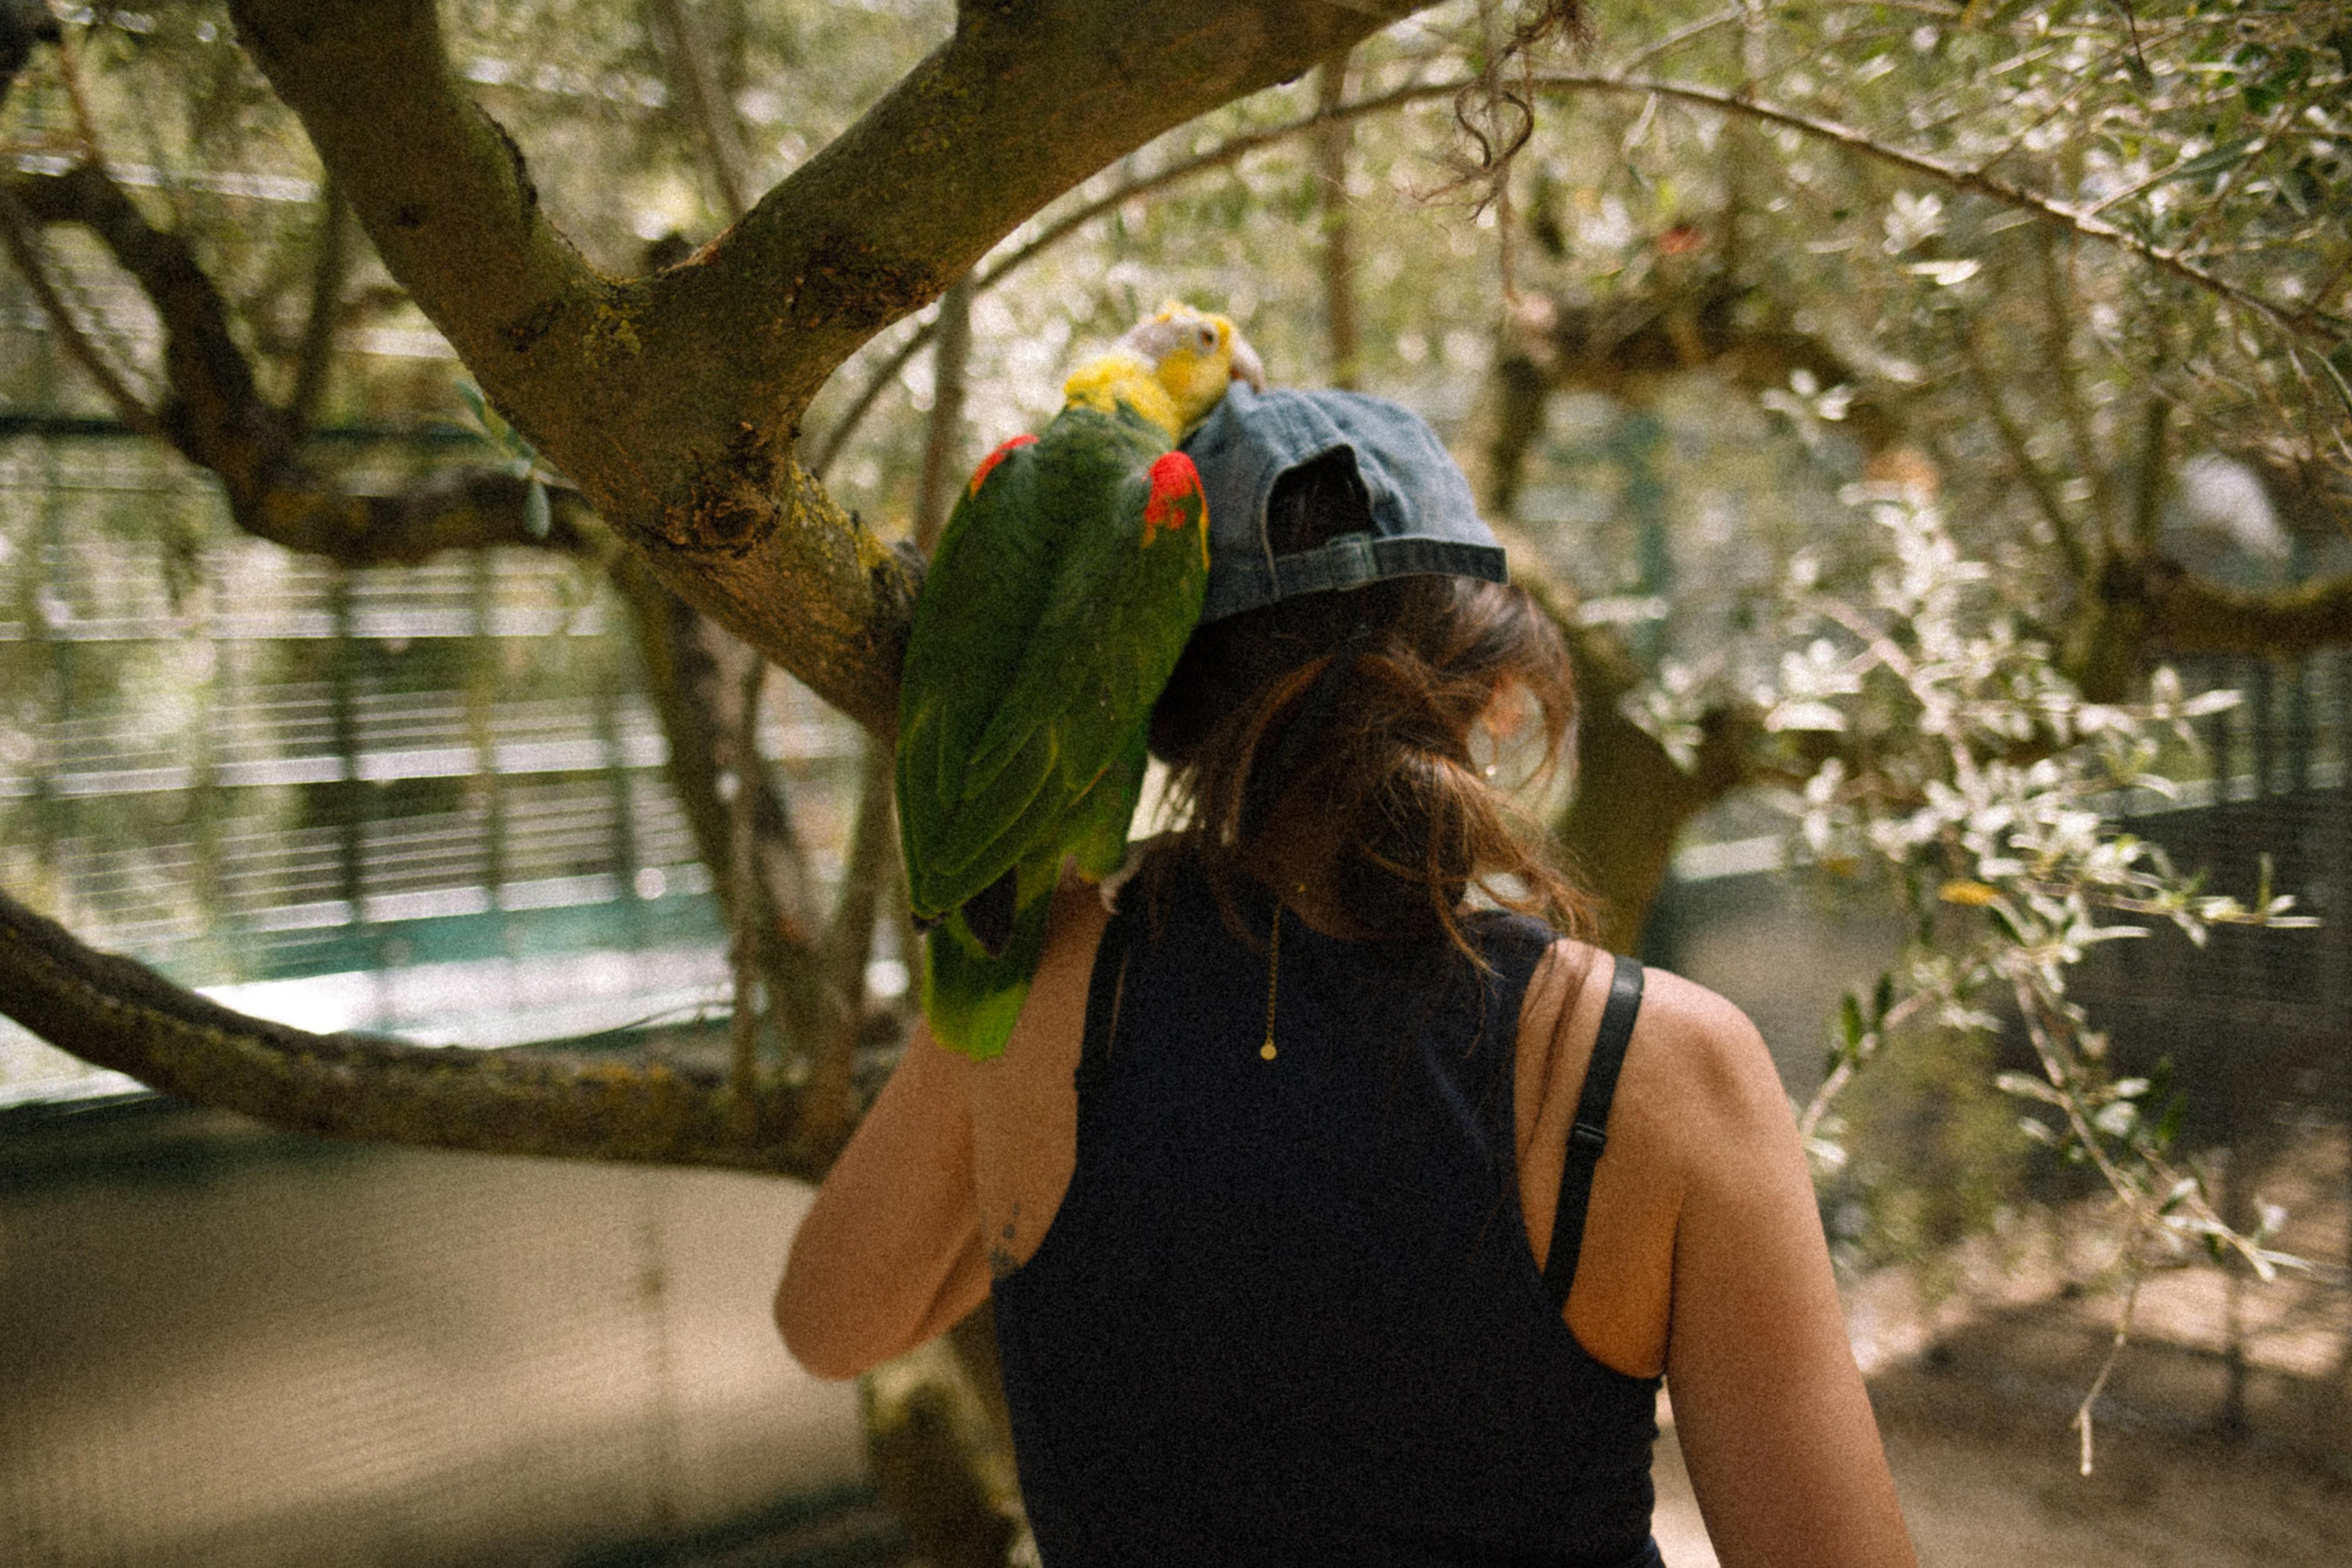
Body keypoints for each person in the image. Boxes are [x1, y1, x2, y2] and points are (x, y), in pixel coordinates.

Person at [776, 383, 1918, 1568]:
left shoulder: (1048, 994)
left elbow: (829, 1320)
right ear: (1494, 684)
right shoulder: (1662, 1065)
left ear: (1168, 709)